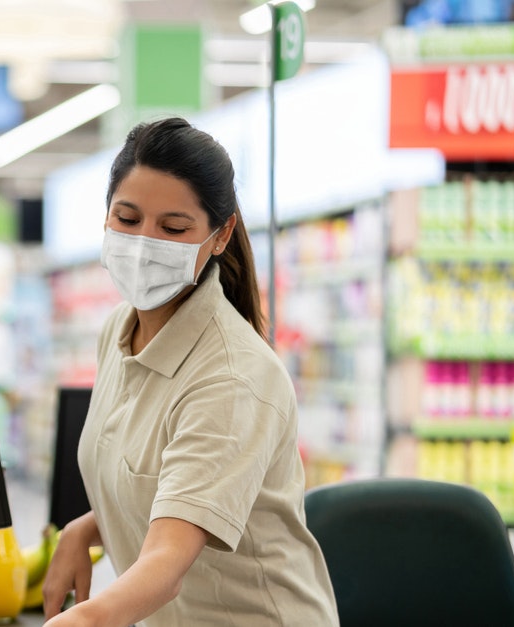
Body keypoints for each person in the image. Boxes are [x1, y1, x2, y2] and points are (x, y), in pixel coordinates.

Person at [41, 117, 339, 626]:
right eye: (127, 218)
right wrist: (85, 529)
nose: (143, 243)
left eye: (173, 229)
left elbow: (168, 559)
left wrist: (86, 620)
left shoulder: (232, 377)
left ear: (220, 236)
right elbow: (161, 484)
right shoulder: (120, 331)